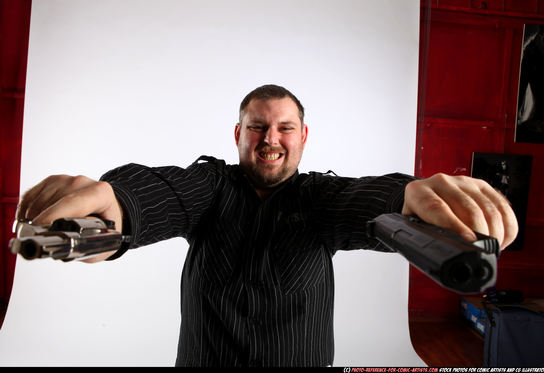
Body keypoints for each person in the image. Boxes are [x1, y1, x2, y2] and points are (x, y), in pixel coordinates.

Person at [16, 84, 518, 367]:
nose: (269, 138)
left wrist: (406, 194)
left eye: (284, 127)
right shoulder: (212, 185)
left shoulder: (319, 196)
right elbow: (165, 195)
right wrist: (118, 204)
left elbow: (359, 201)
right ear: (239, 134)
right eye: (257, 126)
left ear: (303, 137)